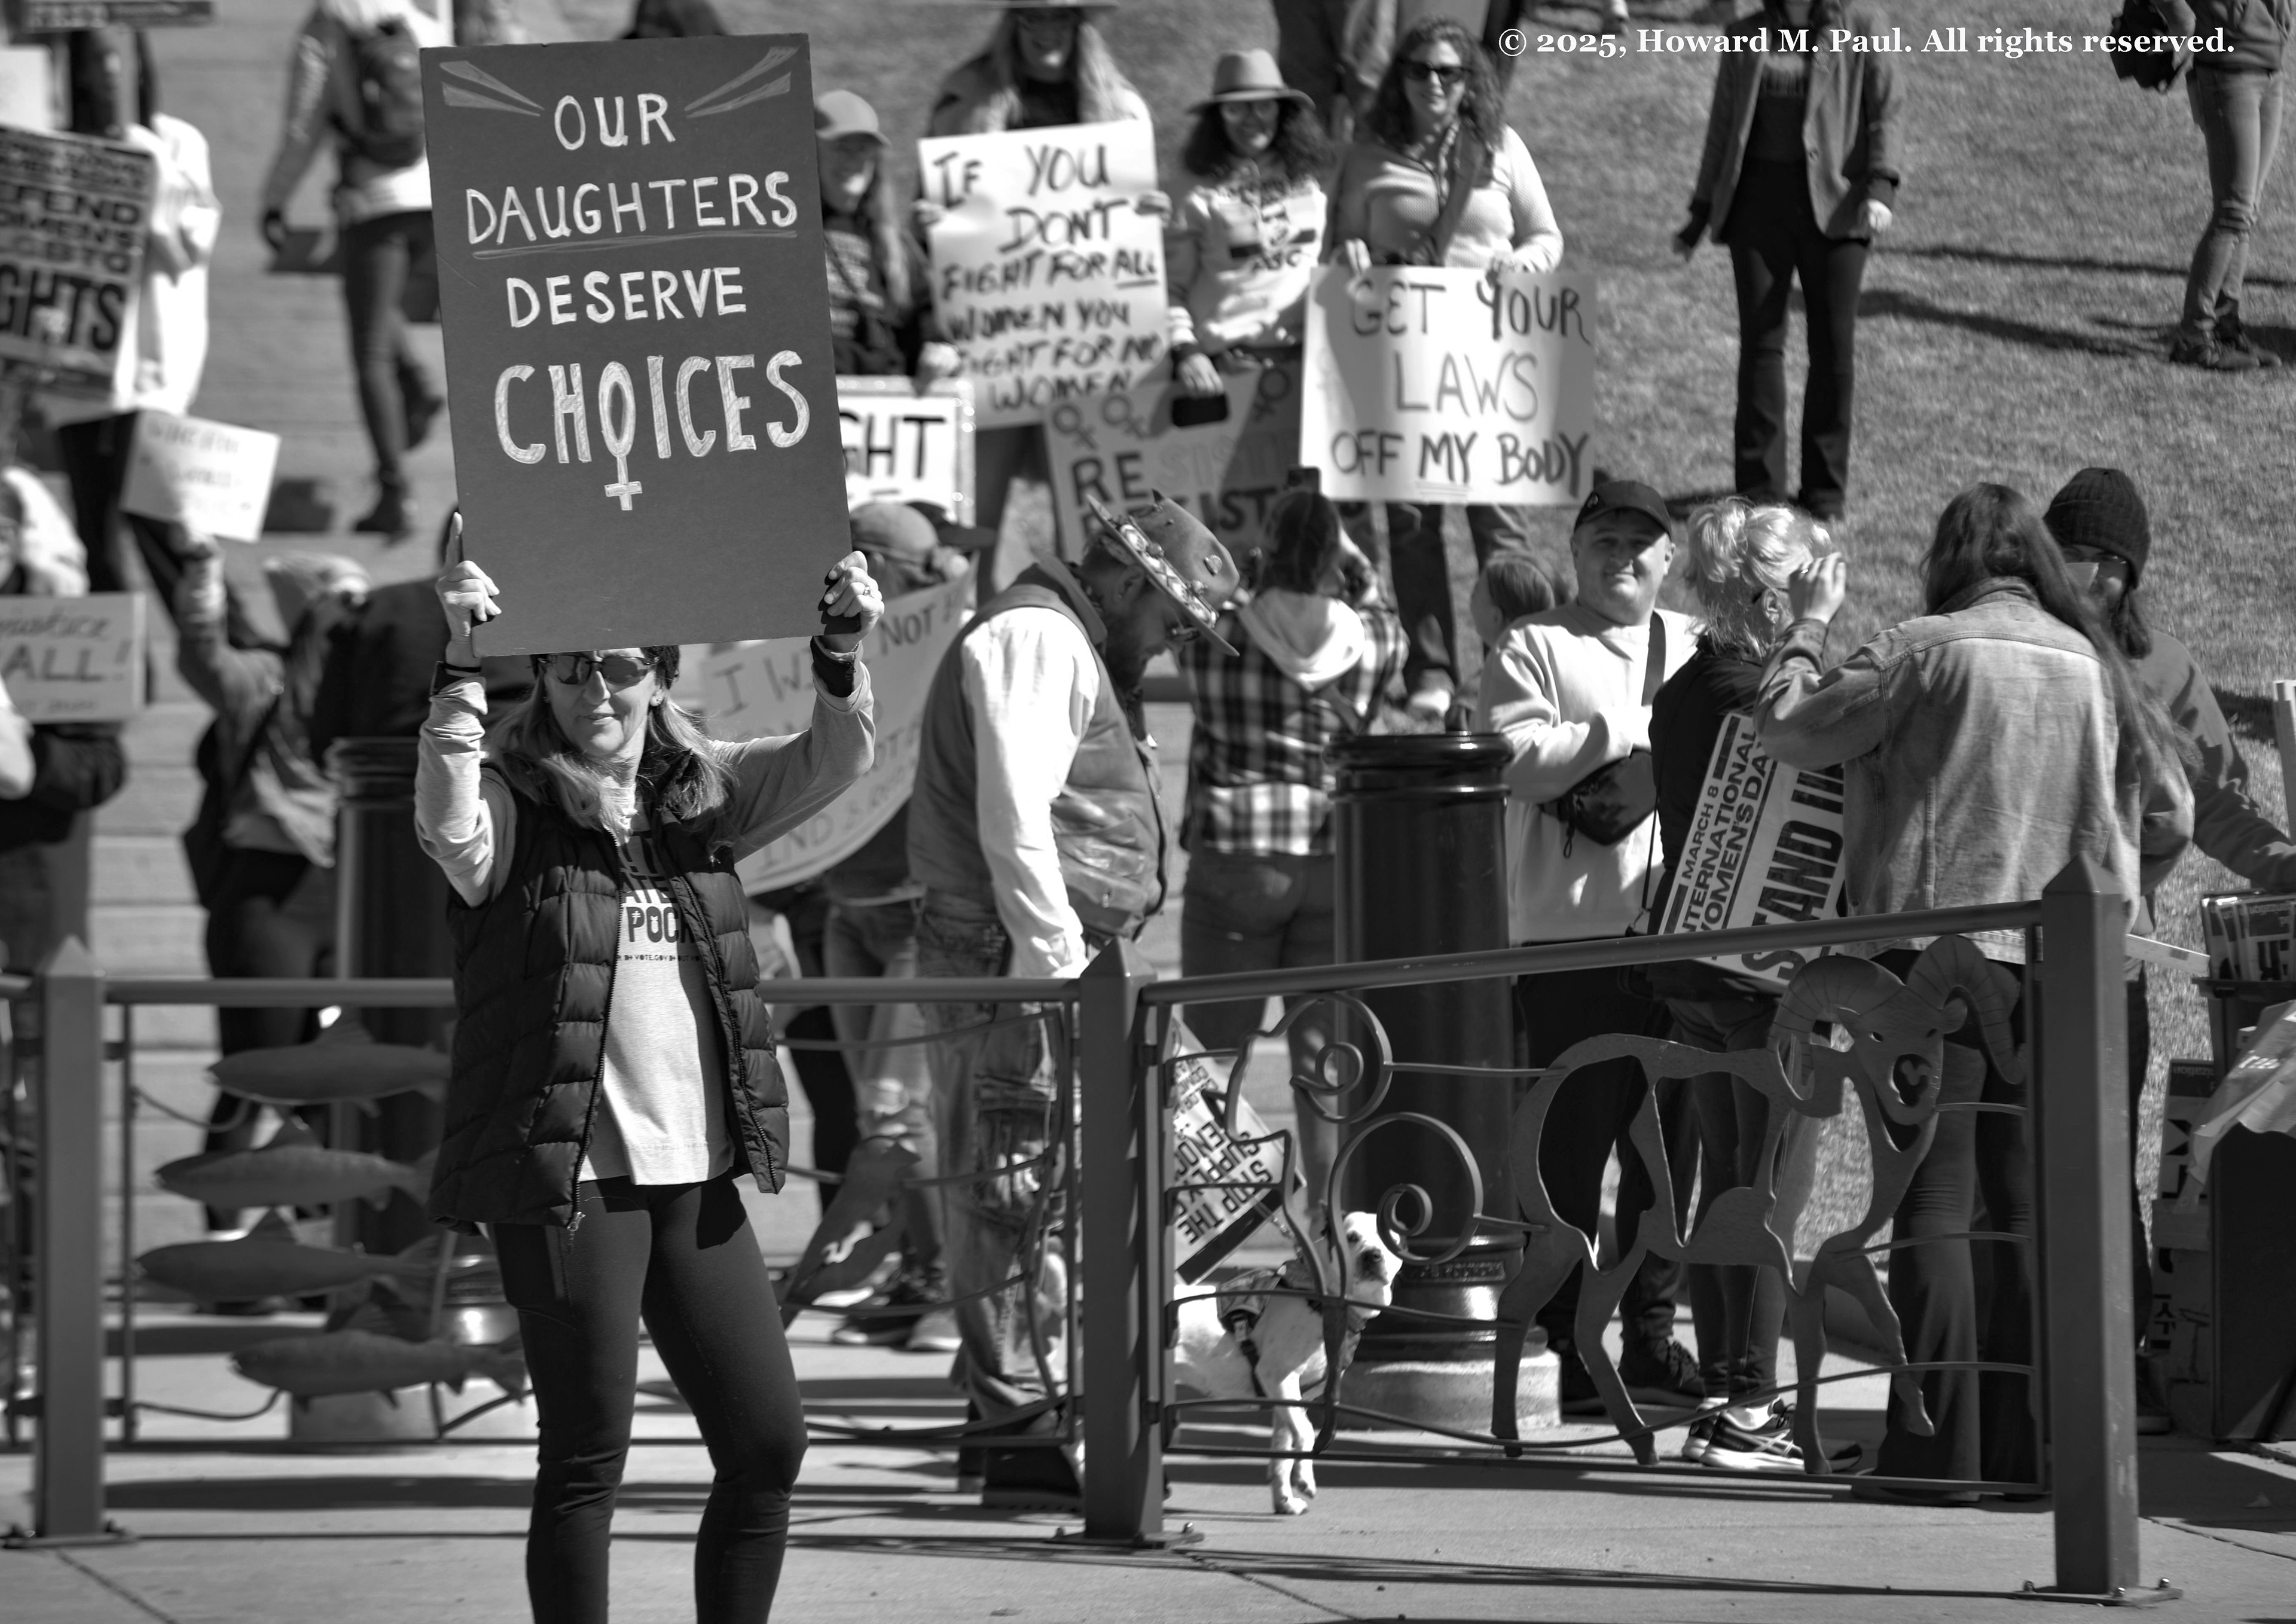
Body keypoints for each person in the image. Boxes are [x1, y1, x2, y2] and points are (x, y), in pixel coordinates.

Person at [417, 538, 880, 1623]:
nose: (596, 690)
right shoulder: (514, 802)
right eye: (571, 667)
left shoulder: (699, 797)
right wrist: (458, 667)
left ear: (662, 676)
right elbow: (447, 829)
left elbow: (836, 760)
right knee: (587, 1456)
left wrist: (842, 646)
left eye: (621, 667)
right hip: (569, 1178)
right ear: (544, 678)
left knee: (767, 1443)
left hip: (695, 1175)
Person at [1755, 483, 2192, 1495]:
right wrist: (2116, 894)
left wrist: (1807, 630)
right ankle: (2032, 1447)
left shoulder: (1923, 646)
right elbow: (2172, 813)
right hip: (2064, 963)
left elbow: (1790, 729)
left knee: (1935, 1199)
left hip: (1935, 959)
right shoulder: (2098, 666)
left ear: (1949, 556)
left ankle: (1937, 1447)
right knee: (2028, 1207)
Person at [908, 494, 1237, 1507]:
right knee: (1011, 1183)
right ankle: (1017, 1422)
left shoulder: (1059, 637)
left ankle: (1011, 1411)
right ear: (1130, 580)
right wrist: (1059, 969)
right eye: (1173, 618)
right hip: (1024, 961)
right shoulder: (1037, 639)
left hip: (1047, 954)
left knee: (1046, 1177)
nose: (1175, 641)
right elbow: (1017, 821)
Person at [2043, 466, 2296, 1430]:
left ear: (2126, 574)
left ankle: (2121, 1381)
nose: (2077, 576)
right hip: (1992, 952)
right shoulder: (2017, 646)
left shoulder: (2165, 669)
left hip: (2104, 963)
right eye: (2060, 552)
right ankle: (2013, 1374)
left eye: (2096, 561)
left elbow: (2217, 809)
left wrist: (2287, 867)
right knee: (2004, 1164)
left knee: (2104, 1171)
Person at [1476, 478, 1701, 1410]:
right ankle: (1572, 1350)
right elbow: (1512, 761)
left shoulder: (1698, 643)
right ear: (1577, 552)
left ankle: (1652, 1342)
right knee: (1568, 1164)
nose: (1625, 557)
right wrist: (1627, 728)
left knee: (1669, 1165)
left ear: (1669, 558)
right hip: (1570, 949)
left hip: (1686, 941)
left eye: (1643, 542)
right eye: (1605, 539)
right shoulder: (1532, 643)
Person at [1648, 499, 1834, 1472]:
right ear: (1770, 593)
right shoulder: (1757, 695)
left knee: (1729, 1187)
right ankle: (1750, 1406)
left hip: (1696, 968)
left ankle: (1727, 1394)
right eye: (1809, 583)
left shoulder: (1688, 686)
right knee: (1762, 1194)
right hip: (1758, 978)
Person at [1326, 16, 1564, 719]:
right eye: (1420, 69)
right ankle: (1431, 672)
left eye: (1449, 72)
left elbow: (1547, 237)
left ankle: (1515, 660)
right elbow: (1339, 249)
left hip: (1487, 357)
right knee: (1410, 522)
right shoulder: (1367, 155)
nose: (1434, 82)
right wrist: (1351, 260)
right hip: (1397, 356)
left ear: (1470, 83)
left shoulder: (1501, 148)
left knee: (1500, 522)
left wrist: (1524, 261)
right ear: (1398, 77)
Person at [1176, 483, 1406, 1201]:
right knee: (1327, 1056)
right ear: (1334, 557)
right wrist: (1349, 559)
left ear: (1267, 550)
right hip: (1332, 856)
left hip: (1237, 853)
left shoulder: (1218, 634)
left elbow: (1187, 603)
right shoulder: (1374, 639)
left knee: (1215, 1054)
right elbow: (1380, 603)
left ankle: (1210, 1210)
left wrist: (1248, 568)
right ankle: (1333, 1219)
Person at [819, 503, 978, 1356]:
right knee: (882, 1120)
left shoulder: (946, 649)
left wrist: (946, 594)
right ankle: (920, 1272)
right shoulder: (817, 646)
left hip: (920, 912)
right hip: (850, 909)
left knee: (899, 1113)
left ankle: (954, 1286)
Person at [176, 543, 368, 1239]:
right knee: (257, 1076)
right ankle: (227, 1254)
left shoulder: (367, 691)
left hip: (341, 898)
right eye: (341, 603)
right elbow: (202, 655)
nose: (354, 620)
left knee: (332, 1089)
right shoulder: (264, 679)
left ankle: (315, 1252)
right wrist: (201, 577)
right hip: (268, 896)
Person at [922, 1, 1152, 576]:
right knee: (975, 511)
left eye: (1061, 18)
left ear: (1081, 26)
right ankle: (969, 632)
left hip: (1089, 347)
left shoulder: (1122, 110)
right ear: (1012, 23)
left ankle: (1090, 642)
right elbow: (930, 218)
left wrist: (1151, 215)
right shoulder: (966, 98)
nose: (1046, 31)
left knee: (1092, 514)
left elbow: (1137, 226)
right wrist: (926, 222)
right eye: (1033, 18)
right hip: (993, 340)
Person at [1674, 1, 1902, 522]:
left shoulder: (1863, 25)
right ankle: (1760, 489)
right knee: (1761, 346)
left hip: (1838, 208)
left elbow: (1887, 109)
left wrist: (1882, 186)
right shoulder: (1743, 33)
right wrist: (1700, 212)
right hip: (1757, 206)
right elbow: (1722, 126)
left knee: (1832, 346)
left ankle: (1824, 493)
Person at [260, 0, 450, 541]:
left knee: (368, 348)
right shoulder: (415, 18)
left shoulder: (326, 25)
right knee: (379, 305)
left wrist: (274, 201)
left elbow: (305, 124)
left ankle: (395, 493)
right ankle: (414, 380)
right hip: (434, 196)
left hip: (373, 203)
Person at [46, 30, 218, 616]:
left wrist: (142, 165)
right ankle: (114, 688)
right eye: (97, 58)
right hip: (79, 371)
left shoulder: (174, 143)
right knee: (96, 537)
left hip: (152, 370)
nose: (112, 70)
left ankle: (237, 659)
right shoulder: (58, 144)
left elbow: (183, 256)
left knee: (165, 528)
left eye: (121, 54)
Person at [0, 486, 126, 975]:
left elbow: (101, 767)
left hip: (29, 890)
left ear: (7, 538)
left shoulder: (67, 625)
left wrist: (29, 756)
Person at [1166, 50, 1330, 401]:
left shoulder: (1310, 179)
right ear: (1218, 118)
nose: (1251, 120)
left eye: (1264, 107)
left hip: (1312, 367)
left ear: (1283, 111)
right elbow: (1169, 288)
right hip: (1229, 371)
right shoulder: (1195, 191)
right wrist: (1185, 351)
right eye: (1236, 109)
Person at [2156, 0, 2289, 369]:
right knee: (2234, 212)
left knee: (2246, 212)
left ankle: (2224, 329)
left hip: (2269, 69)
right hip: (2228, 75)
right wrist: (2184, 23)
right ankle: (2194, 338)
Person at [817, 91, 960, 383]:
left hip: (883, 405)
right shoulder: (780, 237)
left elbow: (928, 319)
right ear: (811, 152)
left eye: (863, 149)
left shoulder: (896, 245)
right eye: (840, 147)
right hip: (811, 404)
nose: (852, 160)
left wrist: (941, 350)